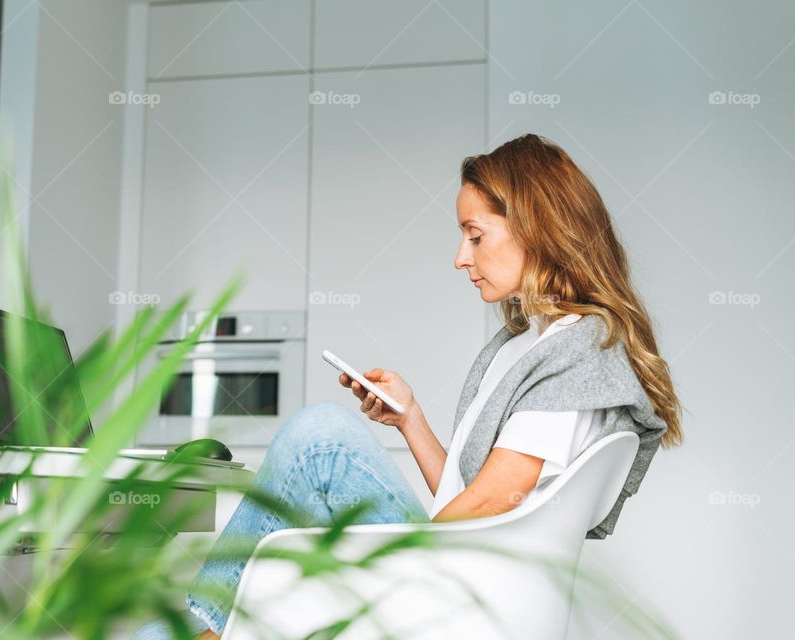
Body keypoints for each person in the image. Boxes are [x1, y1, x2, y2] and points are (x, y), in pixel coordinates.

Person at [133, 133, 683, 640]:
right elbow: (473, 492)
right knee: (319, 443)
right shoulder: (526, 343)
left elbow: (496, 498)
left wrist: (381, 557)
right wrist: (411, 420)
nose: (460, 257)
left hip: (467, 590)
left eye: (475, 235)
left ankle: (206, 629)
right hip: (464, 567)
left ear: (537, 227)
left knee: (319, 436)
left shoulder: (578, 347)